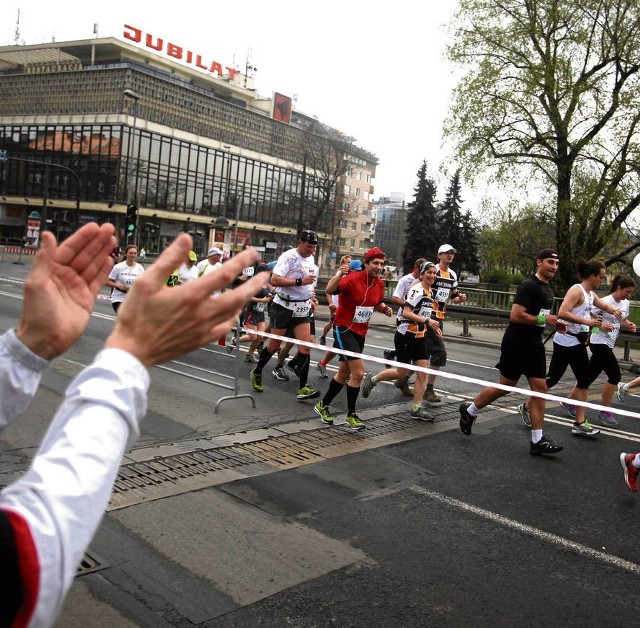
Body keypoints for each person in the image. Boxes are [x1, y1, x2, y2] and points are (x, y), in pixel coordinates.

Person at [0, 230, 265, 627]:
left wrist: (26, 349)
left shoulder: (162, 269)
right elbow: (36, 540)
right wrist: (130, 352)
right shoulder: (148, 269)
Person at [458, 248, 567, 455]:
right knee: (506, 386)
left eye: (556, 263)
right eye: (550, 262)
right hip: (517, 343)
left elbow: (540, 315)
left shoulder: (547, 289)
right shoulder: (528, 285)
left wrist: (554, 323)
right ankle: (470, 410)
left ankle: (537, 440)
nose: (554, 266)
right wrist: (546, 319)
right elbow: (516, 315)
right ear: (539, 262)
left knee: (540, 388)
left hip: (534, 344)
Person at [521, 258, 622, 436]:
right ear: (592, 276)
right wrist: (588, 322)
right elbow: (562, 313)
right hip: (566, 342)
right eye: (601, 277)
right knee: (552, 380)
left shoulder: (590, 294)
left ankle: (579, 422)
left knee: (583, 381)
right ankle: (527, 406)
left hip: (577, 342)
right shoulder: (577, 291)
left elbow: (602, 304)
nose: (602, 280)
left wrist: (613, 310)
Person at [313, 247, 393, 431]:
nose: (379, 267)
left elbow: (377, 303)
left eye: (381, 264)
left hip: (360, 332)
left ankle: (322, 406)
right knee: (357, 374)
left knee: (343, 374)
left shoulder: (379, 283)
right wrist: (339, 274)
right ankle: (351, 415)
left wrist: (384, 309)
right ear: (366, 264)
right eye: (375, 263)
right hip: (344, 328)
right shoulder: (352, 279)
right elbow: (330, 289)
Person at [361, 261, 441, 421]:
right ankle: (373, 378)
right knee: (402, 372)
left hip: (420, 336)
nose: (432, 275)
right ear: (422, 274)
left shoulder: (430, 292)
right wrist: (427, 321)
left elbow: (422, 314)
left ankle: (416, 408)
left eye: (434, 273)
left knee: (423, 372)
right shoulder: (416, 290)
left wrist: (432, 326)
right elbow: (406, 313)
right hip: (406, 335)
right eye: (429, 273)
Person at [249, 229, 320, 400]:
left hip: (301, 308)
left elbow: (309, 284)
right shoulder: (289, 257)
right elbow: (275, 280)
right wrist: (299, 281)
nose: (312, 250)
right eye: (309, 246)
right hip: (283, 307)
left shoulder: (311, 258)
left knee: (305, 346)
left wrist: (311, 298)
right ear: (300, 243)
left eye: (314, 247)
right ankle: (257, 372)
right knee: (274, 345)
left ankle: (302, 388)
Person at [563, 274, 636, 426]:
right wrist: (597, 329)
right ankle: (604, 411)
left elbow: (621, 319)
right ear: (619, 288)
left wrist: (629, 324)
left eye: (630, 293)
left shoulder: (625, 303)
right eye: (626, 292)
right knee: (615, 376)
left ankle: (569, 401)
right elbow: (589, 315)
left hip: (609, 342)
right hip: (598, 342)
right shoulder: (605, 302)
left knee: (588, 376)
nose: (628, 295)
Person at [423, 244, 467, 403]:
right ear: (439, 255)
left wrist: (459, 299)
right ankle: (428, 390)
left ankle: (403, 378)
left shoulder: (452, 274)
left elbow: (453, 296)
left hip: (439, 316)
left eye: (452, 254)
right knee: (439, 353)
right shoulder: (432, 270)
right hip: (428, 315)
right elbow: (422, 287)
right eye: (446, 253)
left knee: (425, 352)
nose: (450, 256)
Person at [382, 257, 426, 396]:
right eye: (421, 270)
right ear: (416, 268)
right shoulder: (405, 280)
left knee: (421, 357)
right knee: (410, 358)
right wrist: (409, 306)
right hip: (404, 319)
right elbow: (394, 298)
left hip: (420, 322)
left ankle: (392, 355)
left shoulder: (425, 283)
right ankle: (403, 382)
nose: (423, 273)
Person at [316, 258, 361, 378]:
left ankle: (323, 364)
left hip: (350, 316)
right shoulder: (340, 276)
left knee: (338, 345)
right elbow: (329, 290)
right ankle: (346, 374)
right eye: (356, 270)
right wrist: (331, 304)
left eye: (360, 270)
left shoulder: (358, 279)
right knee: (344, 346)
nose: (358, 272)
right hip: (339, 313)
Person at [227, 263, 272, 361]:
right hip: (250, 311)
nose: (269, 274)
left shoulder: (266, 282)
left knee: (260, 337)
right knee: (253, 337)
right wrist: (262, 300)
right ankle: (234, 341)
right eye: (267, 272)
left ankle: (249, 355)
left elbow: (269, 292)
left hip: (260, 312)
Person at [319, 255, 352, 345]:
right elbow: (328, 289)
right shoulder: (339, 274)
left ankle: (330, 339)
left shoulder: (350, 274)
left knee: (335, 323)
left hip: (343, 304)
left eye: (350, 262)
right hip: (335, 303)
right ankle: (327, 338)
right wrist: (330, 303)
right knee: (333, 323)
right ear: (343, 263)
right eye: (348, 262)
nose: (349, 264)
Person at [105, 243, 145, 313]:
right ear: (126, 254)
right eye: (131, 253)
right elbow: (107, 282)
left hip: (133, 298)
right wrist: (118, 285)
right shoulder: (118, 267)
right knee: (123, 318)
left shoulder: (140, 268)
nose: (133, 255)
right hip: (118, 298)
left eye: (135, 253)